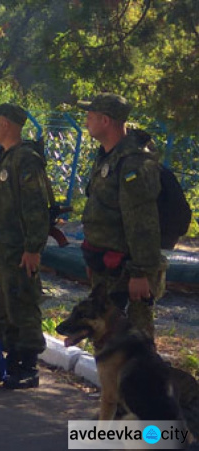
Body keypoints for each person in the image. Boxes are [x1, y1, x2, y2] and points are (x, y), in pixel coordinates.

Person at [78, 93, 166, 339]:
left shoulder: (133, 163)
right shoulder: (108, 155)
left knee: (134, 342)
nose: (86, 121)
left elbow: (142, 222)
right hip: (105, 265)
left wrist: (139, 273)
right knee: (108, 340)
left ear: (105, 121)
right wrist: (92, 260)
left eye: (90, 116)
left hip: (127, 271)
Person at [0, 103, 49, 389]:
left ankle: (28, 364)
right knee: (6, 305)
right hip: (2, 248)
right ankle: (12, 357)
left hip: (20, 249)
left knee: (23, 303)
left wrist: (33, 247)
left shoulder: (25, 160)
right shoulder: (3, 157)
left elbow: (36, 208)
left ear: (6, 125)